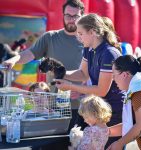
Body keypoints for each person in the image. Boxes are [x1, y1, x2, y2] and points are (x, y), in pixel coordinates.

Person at [3, 0, 85, 131]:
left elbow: (94, 72)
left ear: (82, 17)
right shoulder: (50, 37)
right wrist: (13, 60)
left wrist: (84, 90)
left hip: (82, 108)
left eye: (75, 16)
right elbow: (29, 54)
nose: (71, 20)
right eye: (68, 15)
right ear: (63, 15)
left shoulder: (88, 40)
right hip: (52, 107)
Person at [55, 13, 125, 148]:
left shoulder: (109, 53)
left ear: (92, 32)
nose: (78, 37)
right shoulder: (89, 49)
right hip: (99, 110)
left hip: (114, 112)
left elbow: (101, 90)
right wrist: (60, 72)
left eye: (81, 33)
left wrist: (70, 86)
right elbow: (82, 74)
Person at [107, 55, 141, 150]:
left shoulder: (140, 91)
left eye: (114, 75)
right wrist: (105, 131)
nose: (113, 79)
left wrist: (119, 143)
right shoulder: (137, 88)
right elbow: (130, 124)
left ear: (124, 75)